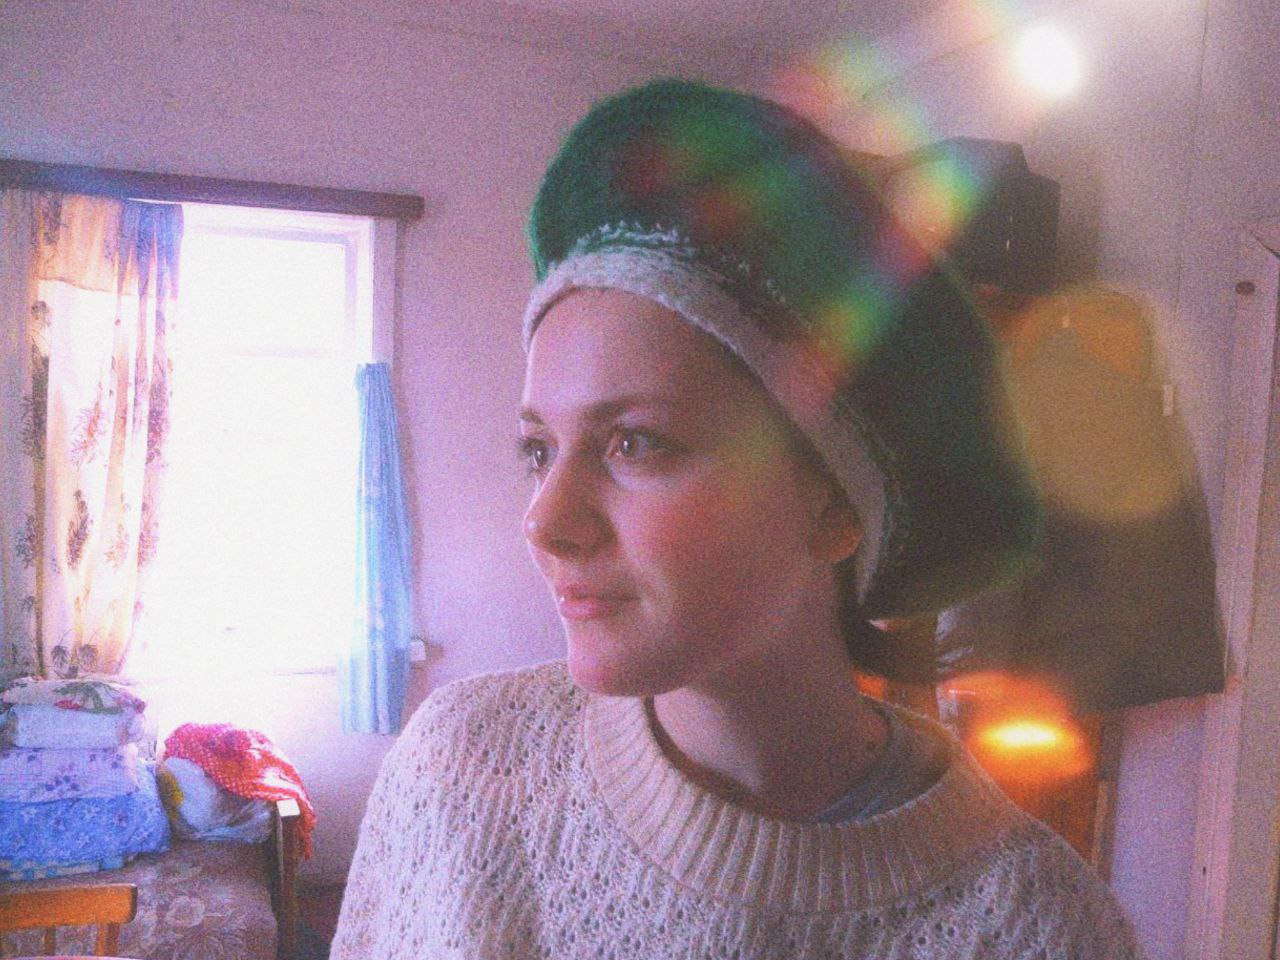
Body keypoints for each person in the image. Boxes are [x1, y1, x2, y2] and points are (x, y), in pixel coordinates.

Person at [331, 78, 1145, 959]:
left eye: (635, 443)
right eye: (539, 449)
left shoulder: (1032, 928)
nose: (545, 521)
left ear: (835, 503)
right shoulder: (458, 768)